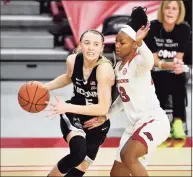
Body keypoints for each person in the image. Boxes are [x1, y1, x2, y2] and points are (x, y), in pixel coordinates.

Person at [83, 7, 170, 176]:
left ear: (133, 44)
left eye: (122, 42)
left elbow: (150, 61)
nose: (117, 45)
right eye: (116, 41)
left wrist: (140, 42)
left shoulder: (139, 62)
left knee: (128, 155)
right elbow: (123, 100)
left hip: (153, 122)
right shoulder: (117, 68)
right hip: (134, 126)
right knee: (116, 174)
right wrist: (105, 116)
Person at [44, 29, 115, 176]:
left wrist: (66, 106)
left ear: (101, 48)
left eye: (96, 44)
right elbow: (68, 76)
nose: (91, 48)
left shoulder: (104, 69)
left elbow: (103, 108)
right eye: (87, 43)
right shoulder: (72, 60)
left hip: (97, 118)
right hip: (74, 113)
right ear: (80, 45)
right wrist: (45, 87)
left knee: (83, 165)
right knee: (78, 153)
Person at [145, 0, 191, 139]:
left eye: (174, 9)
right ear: (162, 10)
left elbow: (179, 56)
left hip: (172, 70)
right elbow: (153, 61)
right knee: (162, 80)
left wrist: (177, 65)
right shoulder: (153, 27)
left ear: (179, 12)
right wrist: (168, 65)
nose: (170, 11)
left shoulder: (184, 28)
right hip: (155, 70)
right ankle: (159, 122)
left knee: (178, 77)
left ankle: (177, 122)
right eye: (168, 8)